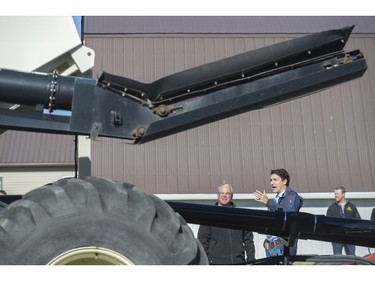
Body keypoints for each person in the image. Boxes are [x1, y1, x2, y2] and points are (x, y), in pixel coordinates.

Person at [197, 183, 255, 265]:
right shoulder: (209, 216)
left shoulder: (241, 216)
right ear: (217, 195)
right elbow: (202, 242)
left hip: (238, 263)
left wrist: (251, 259)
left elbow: (248, 240)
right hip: (216, 264)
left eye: (227, 193)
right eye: (222, 193)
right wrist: (204, 262)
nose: (224, 196)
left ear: (232, 196)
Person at [254, 168, 303, 257]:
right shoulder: (276, 199)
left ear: (284, 181)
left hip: (282, 249)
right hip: (270, 248)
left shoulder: (292, 196)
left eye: (275, 180)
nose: (271, 183)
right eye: (271, 180)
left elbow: (289, 214)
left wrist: (268, 202)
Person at [326, 186, 361, 255]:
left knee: (351, 259)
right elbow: (327, 223)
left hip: (350, 238)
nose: (336, 195)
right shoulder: (331, 208)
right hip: (336, 239)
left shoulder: (352, 206)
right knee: (337, 260)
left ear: (343, 194)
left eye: (338, 194)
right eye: (335, 194)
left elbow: (358, 221)